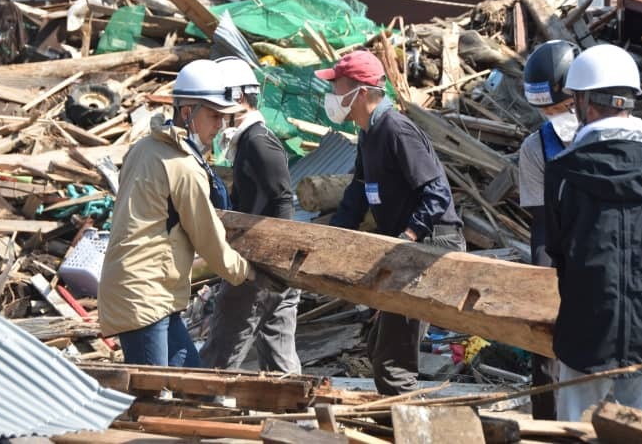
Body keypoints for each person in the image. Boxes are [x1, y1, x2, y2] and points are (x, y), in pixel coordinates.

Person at [543, 44, 642, 421]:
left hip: (585, 330)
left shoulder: (563, 176)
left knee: (579, 429)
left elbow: (557, 251)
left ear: (585, 104)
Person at [316, 50, 466, 395]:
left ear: (361, 91)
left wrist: (408, 236)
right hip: (402, 246)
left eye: (336, 88)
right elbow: (356, 194)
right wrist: (330, 239)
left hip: (432, 244)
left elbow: (438, 193)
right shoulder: (368, 133)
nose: (333, 97)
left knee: (392, 363)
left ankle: (405, 425)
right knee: (376, 346)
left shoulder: (396, 130)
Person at [98, 59, 253, 367]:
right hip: (145, 294)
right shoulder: (182, 165)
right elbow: (206, 234)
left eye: (223, 117)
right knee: (155, 396)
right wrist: (245, 272)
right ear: (187, 113)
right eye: (213, 116)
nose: (219, 125)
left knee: (194, 387)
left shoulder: (144, 149)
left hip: (148, 291)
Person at [199, 57, 302, 374]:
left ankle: (201, 405)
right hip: (269, 267)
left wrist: (269, 265)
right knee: (277, 352)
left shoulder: (259, 142)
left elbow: (282, 198)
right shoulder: (248, 141)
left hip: (260, 266)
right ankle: (297, 411)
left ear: (239, 97)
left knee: (222, 349)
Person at [518, 40, 580, 420]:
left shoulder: (620, 136)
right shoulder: (535, 148)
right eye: (547, 109)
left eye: (562, 106)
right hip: (563, 251)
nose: (555, 115)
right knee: (546, 353)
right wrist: (542, 284)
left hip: (611, 256)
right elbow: (542, 224)